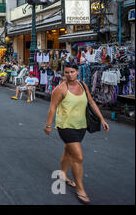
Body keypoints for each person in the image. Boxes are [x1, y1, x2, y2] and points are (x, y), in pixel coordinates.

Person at [44, 62, 110, 204]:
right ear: (63, 73)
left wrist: (102, 119)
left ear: (77, 72)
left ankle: (62, 175)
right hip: (66, 126)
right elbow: (52, 108)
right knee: (78, 157)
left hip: (81, 126)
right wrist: (48, 125)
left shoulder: (83, 85)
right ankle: (80, 188)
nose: (69, 74)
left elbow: (91, 102)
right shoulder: (60, 89)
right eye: (66, 72)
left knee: (69, 152)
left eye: (72, 72)